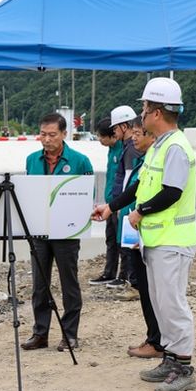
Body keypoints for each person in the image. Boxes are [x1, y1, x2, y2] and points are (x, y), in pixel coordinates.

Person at [92, 77, 196, 391]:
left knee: (173, 305)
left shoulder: (175, 147)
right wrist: (111, 207)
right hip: (157, 240)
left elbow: (172, 192)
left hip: (173, 241)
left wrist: (140, 212)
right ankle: (170, 358)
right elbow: (140, 185)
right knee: (161, 304)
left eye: (145, 107)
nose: (142, 113)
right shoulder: (160, 145)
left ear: (156, 112)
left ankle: (184, 367)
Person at [21, 112, 94, 352]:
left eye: (52, 135)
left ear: (64, 134)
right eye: (43, 134)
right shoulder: (32, 160)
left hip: (67, 233)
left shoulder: (80, 161)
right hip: (39, 232)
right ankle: (40, 333)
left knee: (68, 282)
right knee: (39, 284)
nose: (47, 139)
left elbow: (87, 195)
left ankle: (69, 334)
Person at [121, 116, 163, 359]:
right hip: (140, 233)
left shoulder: (161, 157)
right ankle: (154, 338)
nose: (133, 138)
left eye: (138, 133)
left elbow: (167, 195)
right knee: (145, 290)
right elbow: (135, 190)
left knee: (153, 293)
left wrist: (140, 214)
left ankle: (158, 342)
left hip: (154, 236)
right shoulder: (145, 159)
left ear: (152, 135)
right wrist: (111, 207)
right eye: (133, 133)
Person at [107, 105, 142, 290]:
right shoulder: (127, 147)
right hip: (124, 202)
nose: (114, 132)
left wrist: (121, 204)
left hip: (127, 204)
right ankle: (128, 280)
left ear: (124, 126)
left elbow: (129, 178)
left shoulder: (131, 149)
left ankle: (131, 282)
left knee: (128, 244)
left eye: (115, 128)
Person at [88, 117, 122, 286]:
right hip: (110, 203)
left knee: (121, 241)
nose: (99, 140)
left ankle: (124, 276)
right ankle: (109, 273)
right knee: (110, 239)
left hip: (119, 203)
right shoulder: (111, 150)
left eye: (102, 136)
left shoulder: (123, 149)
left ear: (113, 135)